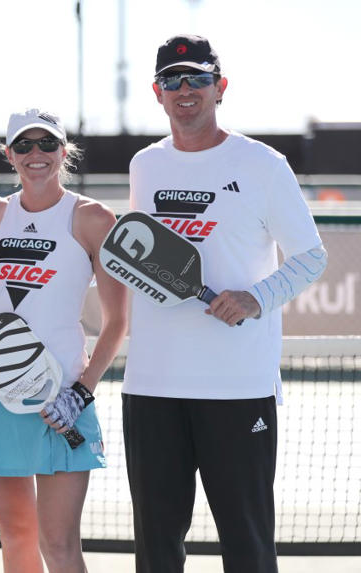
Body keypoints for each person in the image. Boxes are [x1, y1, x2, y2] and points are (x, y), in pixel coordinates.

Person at [123, 35, 328, 572]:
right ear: (157, 92)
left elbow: (310, 257)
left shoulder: (263, 163)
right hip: (151, 388)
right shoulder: (144, 165)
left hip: (237, 388)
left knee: (248, 546)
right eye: (172, 80)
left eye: (197, 79)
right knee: (156, 550)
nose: (185, 90)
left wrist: (256, 298)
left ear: (221, 87)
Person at [0, 108, 128, 573]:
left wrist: (80, 393)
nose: (36, 155)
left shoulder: (93, 218)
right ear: (9, 154)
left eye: (47, 144)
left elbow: (116, 323)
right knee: (16, 538)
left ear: (64, 151)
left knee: (58, 547)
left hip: (62, 401)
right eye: (24, 146)